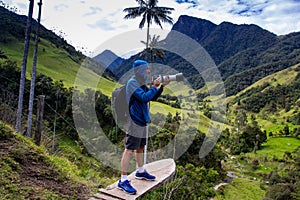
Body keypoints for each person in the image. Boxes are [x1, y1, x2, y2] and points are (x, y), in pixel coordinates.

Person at [117, 59, 169, 195]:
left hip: (142, 120)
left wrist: (161, 87)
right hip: (134, 120)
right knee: (129, 149)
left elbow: (152, 97)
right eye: (146, 69)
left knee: (140, 147)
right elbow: (145, 97)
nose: (148, 71)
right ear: (140, 69)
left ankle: (140, 171)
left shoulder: (140, 83)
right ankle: (122, 180)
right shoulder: (132, 83)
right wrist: (154, 86)